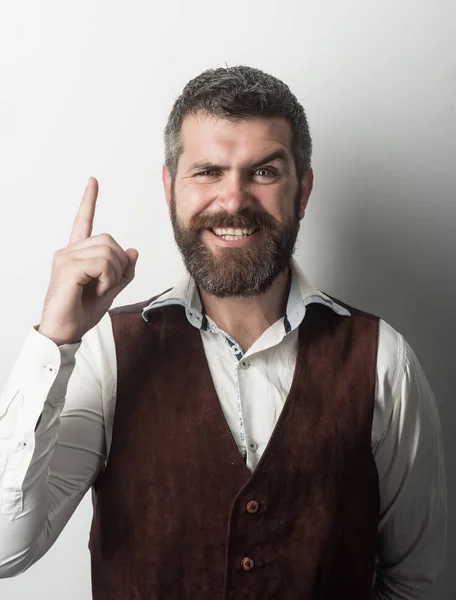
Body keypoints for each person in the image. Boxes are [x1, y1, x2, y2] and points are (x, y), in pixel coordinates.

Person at [0, 66, 446, 599]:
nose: (233, 200)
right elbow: (7, 552)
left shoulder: (383, 361)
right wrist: (55, 337)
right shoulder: (106, 353)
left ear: (303, 190)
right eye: (208, 171)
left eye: (263, 172)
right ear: (171, 188)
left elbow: (416, 584)